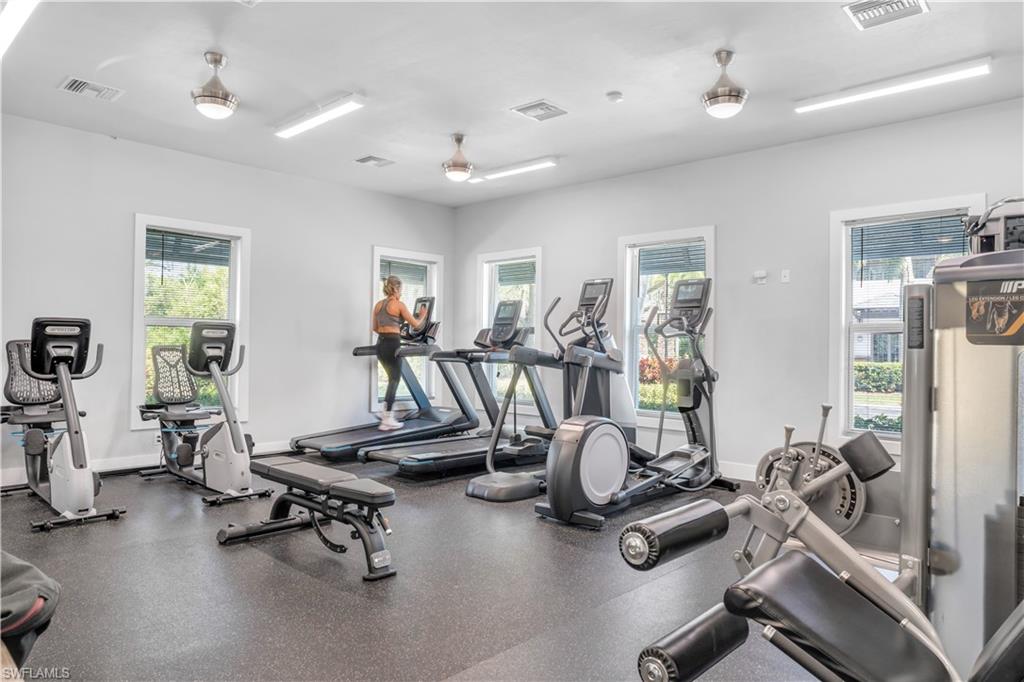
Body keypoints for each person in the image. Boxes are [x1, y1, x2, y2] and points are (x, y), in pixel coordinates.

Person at [372, 275, 428, 430]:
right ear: (396, 289)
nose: (401, 293)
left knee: (391, 378)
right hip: (392, 343)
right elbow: (416, 325)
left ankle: (385, 411)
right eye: (401, 289)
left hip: (381, 344)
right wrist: (423, 315)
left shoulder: (378, 305)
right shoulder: (399, 305)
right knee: (394, 379)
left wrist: (387, 331)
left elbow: (375, 328)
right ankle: (387, 418)